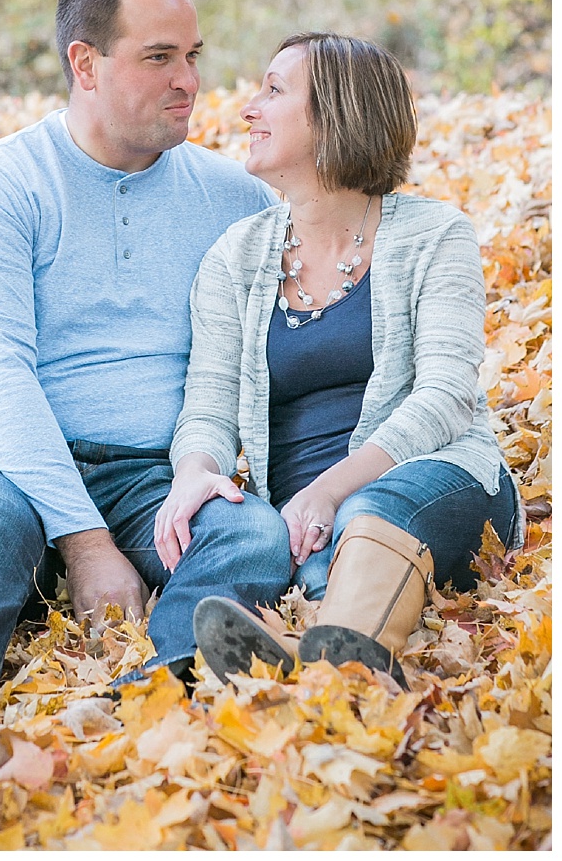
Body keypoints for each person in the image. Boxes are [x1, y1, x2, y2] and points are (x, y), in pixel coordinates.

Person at [0, 0, 282, 738]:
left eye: (193, 56)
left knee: (250, 532)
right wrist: (85, 545)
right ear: (86, 63)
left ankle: (167, 688)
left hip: (153, 474)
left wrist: (201, 474)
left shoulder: (235, 199)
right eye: (159, 58)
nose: (189, 80)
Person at [161, 33, 522, 688]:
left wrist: (328, 492)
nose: (249, 108)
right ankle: (301, 662)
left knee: (365, 515)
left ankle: (339, 679)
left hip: (436, 477)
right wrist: (195, 472)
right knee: (315, 566)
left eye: (273, 90)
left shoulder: (435, 234)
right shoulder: (234, 258)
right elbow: (207, 407)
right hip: (302, 520)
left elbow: (445, 397)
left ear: (337, 115)